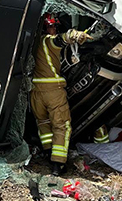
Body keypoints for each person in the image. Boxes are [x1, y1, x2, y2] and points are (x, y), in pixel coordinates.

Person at [31, 13, 91, 175]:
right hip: (53, 92)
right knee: (62, 126)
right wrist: (75, 35)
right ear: (45, 28)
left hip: (35, 92)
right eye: (52, 26)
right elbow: (61, 40)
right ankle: (59, 164)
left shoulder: (31, 41)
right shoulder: (46, 41)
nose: (54, 29)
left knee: (43, 122)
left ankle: (48, 152)